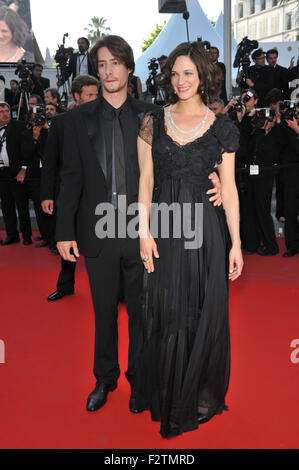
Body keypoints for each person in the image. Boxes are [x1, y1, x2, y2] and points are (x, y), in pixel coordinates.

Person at [56, 35, 222, 415]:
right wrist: (63, 230)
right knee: (102, 312)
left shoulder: (153, 116)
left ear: (129, 68)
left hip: (143, 230)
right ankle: (104, 378)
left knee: (144, 314)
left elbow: (180, 154)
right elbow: (70, 176)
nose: (108, 71)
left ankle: (138, 379)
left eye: (115, 63)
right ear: (95, 72)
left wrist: (211, 177)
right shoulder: (76, 120)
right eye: (101, 65)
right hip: (97, 230)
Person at [134, 41, 243, 438]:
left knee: (199, 311)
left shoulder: (222, 129)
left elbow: (228, 191)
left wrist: (236, 243)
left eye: (189, 74)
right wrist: (142, 231)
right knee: (164, 310)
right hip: (163, 227)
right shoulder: (151, 121)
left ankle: (193, 390)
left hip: (205, 233)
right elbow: (145, 181)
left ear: (203, 77)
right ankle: (167, 391)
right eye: (175, 73)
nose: (181, 81)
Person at [41, 74, 100, 301]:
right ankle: (65, 285)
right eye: (90, 95)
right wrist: (47, 194)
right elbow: (50, 162)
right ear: (77, 96)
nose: (95, 99)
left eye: (97, 94)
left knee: (107, 241)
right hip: (70, 193)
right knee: (68, 236)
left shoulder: (105, 120)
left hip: (98, 193)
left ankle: (118, 290)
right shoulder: (61, 122)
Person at [0, 101, 31, 245]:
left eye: (7, 111)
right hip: (2, 174)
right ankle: (12, 235)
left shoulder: (19, 126)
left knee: (22, 206)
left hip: (17, 173)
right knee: (6, 207)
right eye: (1, 112)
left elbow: (27, 150)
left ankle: (26, 236)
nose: (5, 114)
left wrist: (23, 169)